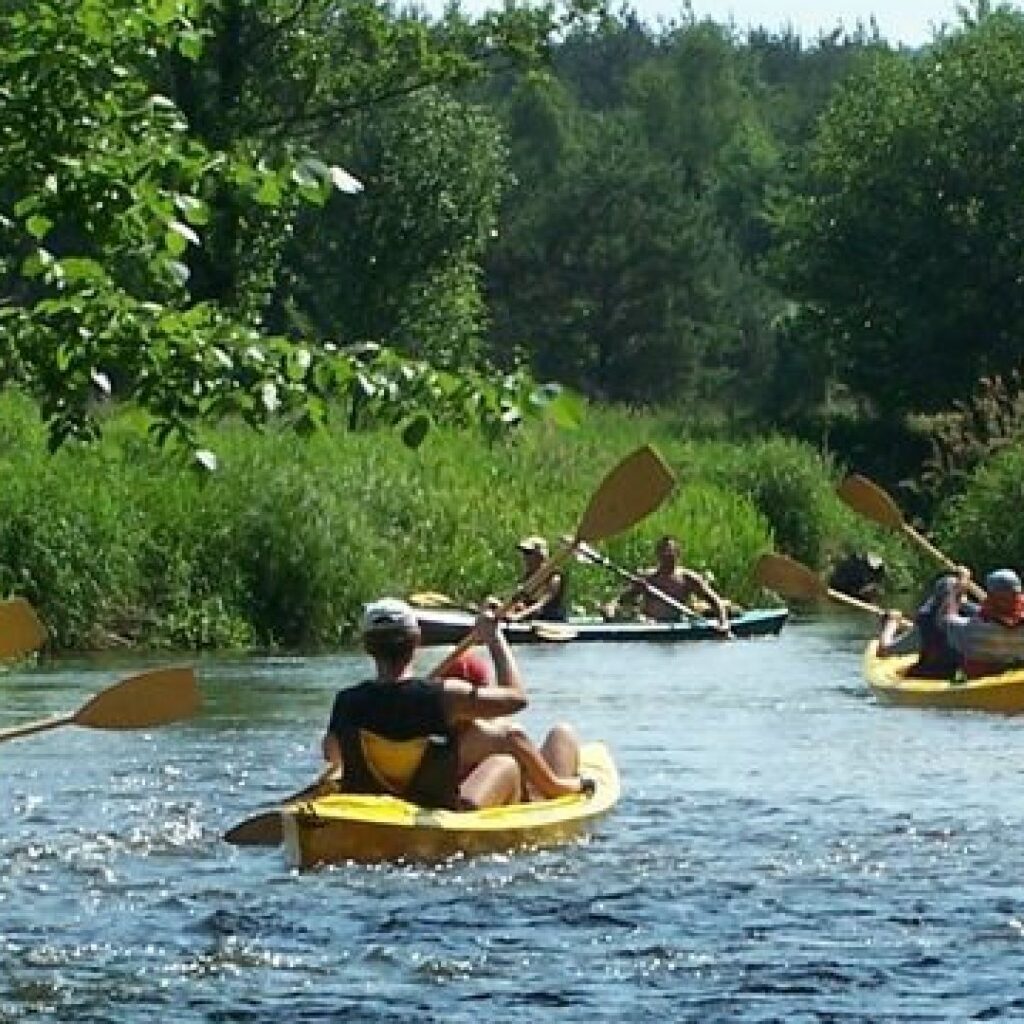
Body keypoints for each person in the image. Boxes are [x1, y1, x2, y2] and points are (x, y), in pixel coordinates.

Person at [321, 598, 590, 811]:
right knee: (508, 761)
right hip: (436, 809)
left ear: (367, 647)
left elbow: (333, 755)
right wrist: (495, 638)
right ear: (416, 642)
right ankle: (556, 788)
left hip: (374, 813)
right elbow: (516, 698)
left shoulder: (346, 701)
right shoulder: (446, 696)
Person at [603, 534, 731, 634]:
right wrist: (611, 607)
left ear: (678, 555)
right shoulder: (648, 578)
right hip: (649, 624)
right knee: (631, 617)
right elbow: (622, 599)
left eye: (670, 554)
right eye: (663, 554)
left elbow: (716, 601)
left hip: (676, 624)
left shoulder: (688, 578)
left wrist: (723, 623)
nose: (667, 557)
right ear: (658, 555)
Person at [938, 568, 1024, 678]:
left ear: (991, 598)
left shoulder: (975, 630)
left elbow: (944, 619)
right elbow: (1006, 617)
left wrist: (959, 587)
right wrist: (965, 602)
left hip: (987, 687)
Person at [876, 573, 963, 677]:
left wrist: (891, 623)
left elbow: (883, 650)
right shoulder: (972, 620)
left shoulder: (925, 626)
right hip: (960, 674)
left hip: (934, 676)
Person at [506, 535, 567, 622]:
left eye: (528, 553)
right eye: (524, 552)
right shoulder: (528, 577)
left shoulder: (554, 578)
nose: (524, 557)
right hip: (532, 619)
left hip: (551, 623)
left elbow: (542, 603)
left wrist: (519, 615)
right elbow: (518, 598)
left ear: (540, 555)